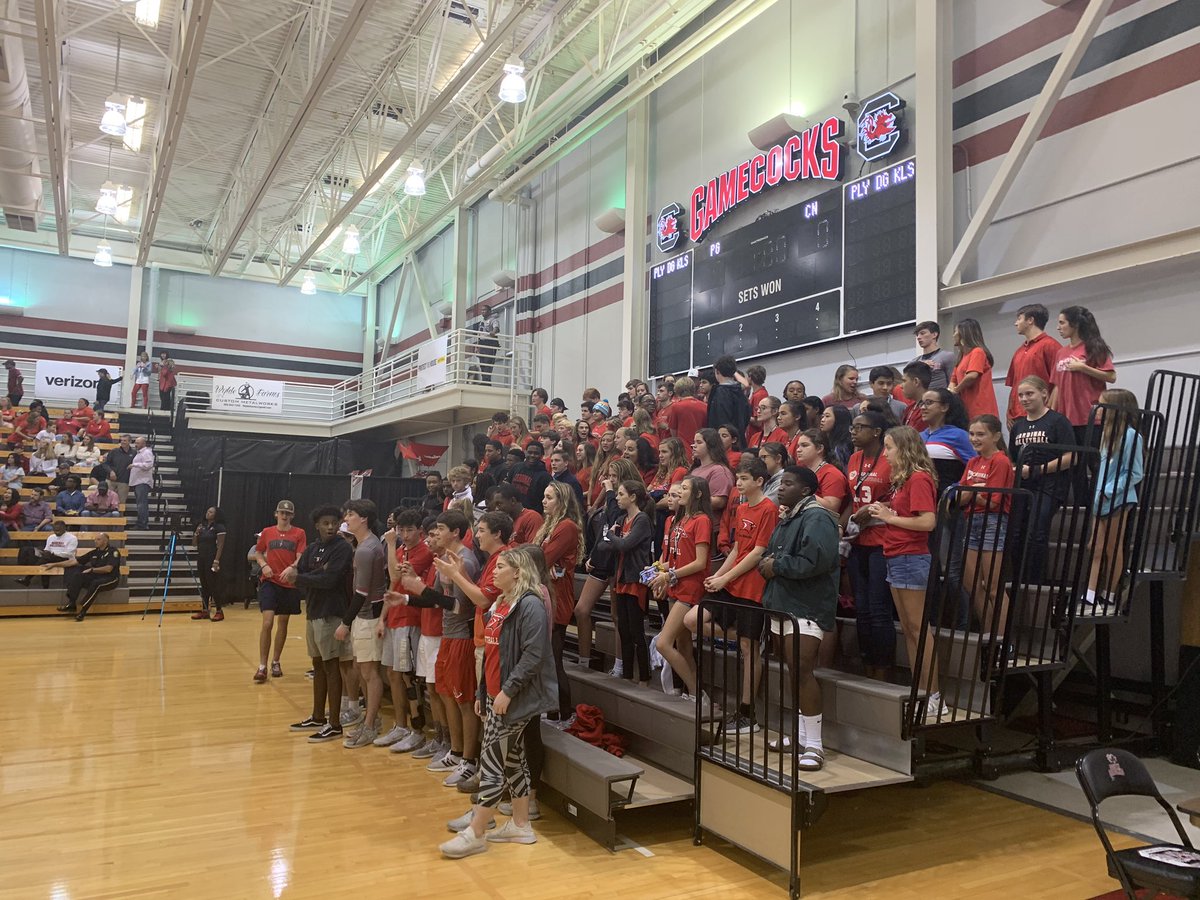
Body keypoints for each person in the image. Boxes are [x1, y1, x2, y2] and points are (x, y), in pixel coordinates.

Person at [436, 546, 557, 859]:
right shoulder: (503, 602)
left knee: (492, 764)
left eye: (501, 566)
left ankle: (476, 832)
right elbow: (491, 651)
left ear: (517, 572)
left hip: (512, 699)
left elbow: (533, 656)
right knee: (513, 760)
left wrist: (507, 692)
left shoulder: (530, 605)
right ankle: (520, 825)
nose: (494, 571)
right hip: (494, 694)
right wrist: (482, 693)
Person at [760, 466, 841, 769]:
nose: (781, 488)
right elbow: (768, 554)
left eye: (789, 484)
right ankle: (799, 735)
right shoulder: (790, 515)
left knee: (803, 669)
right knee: (792, 670)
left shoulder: (817, 517)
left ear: (806, 490)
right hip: (783, 601)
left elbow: (815, 561)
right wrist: (770, 564)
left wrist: (776, 566)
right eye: (781, 482)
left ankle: (815, 745)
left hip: (806, 605)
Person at [690, 457, 779, 734]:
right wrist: (720, 576)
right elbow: (738, 548)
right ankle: (751, 638)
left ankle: (746, 712)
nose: (737, 484)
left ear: (759, 481)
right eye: (737, 478)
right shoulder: (741, 509)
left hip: (752, 588)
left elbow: (758, 552)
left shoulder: (768, 509)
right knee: (693, 621)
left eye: (743, 479)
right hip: (733, 583)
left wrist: (726, 577)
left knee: (747, 648)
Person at [866, 426, 947, 721]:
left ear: (904, 448)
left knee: (919, 632)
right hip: (896, 555)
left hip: (912, 557)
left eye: (889, 447)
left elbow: (927, 522)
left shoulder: (919, 478)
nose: (885, 453)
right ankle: (921, 690)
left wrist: (889, 516)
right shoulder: (902, 481)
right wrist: (886, 510)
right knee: (910, 634)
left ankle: (935, 695)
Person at [400, 511, 482, 781]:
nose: (436, 534)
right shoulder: (444, 560)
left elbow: (461, 607)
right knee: (448, 695)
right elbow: (436, 600)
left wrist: (419, 588)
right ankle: (456, 752)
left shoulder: (465, 561)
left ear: (456, 532)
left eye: (441, 528)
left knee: (465, 701)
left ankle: (469, 760)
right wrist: (408, 598)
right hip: (448, 635)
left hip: (461, 638)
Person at [288, 506, 354, 742]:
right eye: (325, 523)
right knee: (317, 664)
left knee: (331, 666)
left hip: (331, 613)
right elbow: (303, 577)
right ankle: (318, 716)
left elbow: (330, 580)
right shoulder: (313, 549)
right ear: (317, 525)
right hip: (313, 612)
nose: (330, 527)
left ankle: (334, 723)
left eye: (334, 522)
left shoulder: (343, 548)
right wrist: (314, 574)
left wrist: (306, 577)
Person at [376, 508, 435, 753]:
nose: (405, 534)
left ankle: (417, 729)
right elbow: (392, 586)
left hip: (411, 619)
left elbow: (393, 574)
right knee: (393, 675)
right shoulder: (402, 550)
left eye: (410, 530)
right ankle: (401, 725)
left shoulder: (423, 552)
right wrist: (382, 618)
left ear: (419, 531)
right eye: (401, 530)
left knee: (408, 677)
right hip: (395, 619)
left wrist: (390, 545)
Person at [650, 477, 712, 705]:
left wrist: (669, 575)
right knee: (683, 644)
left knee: (663, 643)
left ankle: (698, 693)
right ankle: (691, 691)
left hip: (690, 587)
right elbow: (673, 560)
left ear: (697, 494)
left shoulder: (702, 520)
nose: (679, 493)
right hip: (676, 584)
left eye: (685, 489)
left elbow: (699, 562)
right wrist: (657, 571)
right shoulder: (679, 519)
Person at [1009, 375, 1076, 584]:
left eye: (1029, 393)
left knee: (1037, 532)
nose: (1024, 399)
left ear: (1044, 393)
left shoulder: (1057, 421)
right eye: (1021, 395)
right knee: (1016, 533)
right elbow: (1012, 456)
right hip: (1023, 486)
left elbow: (1071, 457)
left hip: (1050, 485)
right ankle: (1019, 578)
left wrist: (1038, 470)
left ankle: (1037, 581)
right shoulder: (1018, 427)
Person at [333, 499, 389, 749]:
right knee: (361, 667)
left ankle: (370, 726)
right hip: (365, 615)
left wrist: (345, 622)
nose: (347, 518)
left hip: (368, 615)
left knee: (369, 672)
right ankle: (370, 719)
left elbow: (361, 592)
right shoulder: (365, 545)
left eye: (351, 514)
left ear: (364, 518)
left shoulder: (367, 549)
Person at [846, 411, 895, 681]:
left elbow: (902, 497)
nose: (853, 432)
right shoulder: (853, 458)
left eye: (860, 427)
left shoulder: (890, 458)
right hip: (857, 540)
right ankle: (867, 667)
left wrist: (875, 508)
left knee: (878, 608)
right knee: (861, 609)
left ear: (876, 431)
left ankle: (883, 670)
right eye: (852, 427)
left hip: (881, 540)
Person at [1052, 305, 1117, 501]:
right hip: (1067, 417)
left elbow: (1111, 376)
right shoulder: (1061, 352)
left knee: (1094, 462)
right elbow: (1056, 386)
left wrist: (1083, 367)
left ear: (1075, 324)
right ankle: (1083, 503)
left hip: (1091, 416)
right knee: (1073, 464)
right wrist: (1052, 414)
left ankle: (1100, 502)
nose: (1059, 327)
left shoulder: (1094, 347)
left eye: (1062, 322)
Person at [1086, 389, 1144, 608]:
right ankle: (1090, 593)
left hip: (1118, 498)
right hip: (1101, 500)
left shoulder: (1131, 436)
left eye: (1103, 406)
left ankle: (1109, 593)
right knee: (1096, 547)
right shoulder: (1106, 435)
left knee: (1113, 547)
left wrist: (1109, 490)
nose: (1098, 410)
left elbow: (1135, 472)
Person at [959, 415, 1014, 642]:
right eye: (972, 434)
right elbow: (959, 497)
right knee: (970, 583)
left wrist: (972, 492)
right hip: (972, 521)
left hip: (993, 521)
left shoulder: (1000, 461)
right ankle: (988, 631)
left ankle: (1001, 639)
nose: (974, 439)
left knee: (992, 586)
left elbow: (993, 501)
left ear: (996, 436)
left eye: (980, 434)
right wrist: (976, 490)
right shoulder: (973, 462)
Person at [536, 482, 583, 723]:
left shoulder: (567, 526)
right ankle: (553, 711)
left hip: (558, 599)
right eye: (544, 497)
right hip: (547, 594)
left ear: (562, 501)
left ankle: (565, 714)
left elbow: (542, 558)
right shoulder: (549, 525)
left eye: (549, 497)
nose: (544, 501)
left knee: (554, 660)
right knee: (547, 660)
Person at [603, 480, 655, 686]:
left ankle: (644, 676)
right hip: (621, 577)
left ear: (632, 497)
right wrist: (612, 539)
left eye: (621, 494)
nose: (617, 497)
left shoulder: (641, 519)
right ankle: (626, 675)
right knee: (623, 628)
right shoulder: (623, 518)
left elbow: (623, 544)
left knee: (636, 631)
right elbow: (605, 546)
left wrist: (610, 535)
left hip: (635, 579)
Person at [252, 500, 307, 683]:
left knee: (283, 622)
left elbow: (301, 555)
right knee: (267, 622)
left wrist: (292, 567)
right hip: (270, 581)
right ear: (276, 514)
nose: (284, 516)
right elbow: (258, 552)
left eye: (288, 513)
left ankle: (276, 661)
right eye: (281, 512)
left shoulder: (299, 533)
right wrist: (264, 565)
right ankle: (262, 665)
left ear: (292, 515)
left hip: (288, 583)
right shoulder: (267, 532)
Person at [1004, 304, 1060, 430]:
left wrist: (1050, 411)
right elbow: (1014, 385)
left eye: (1019, 318)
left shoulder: (1051, 346)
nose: (1015, 323)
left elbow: (1059, 382)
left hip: (1041, 414)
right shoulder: (1019, 351)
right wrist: (1009, 411)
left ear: (1030, 320)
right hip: (1018, 416)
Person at [919, 389, 975, 495]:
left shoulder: (959, 435)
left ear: (944, 407)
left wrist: (952, 493)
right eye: (921, 403)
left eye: (929, 403)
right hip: (921, 497)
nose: (922, 408)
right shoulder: (918, 436)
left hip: (946, 502)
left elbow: (975, 468)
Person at [63, 532, 121, 621]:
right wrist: (54, 564)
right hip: (97, 576)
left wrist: (92, 570)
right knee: (79, 575)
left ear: (105, 541)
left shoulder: (113, 552)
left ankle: (83, 611)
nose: (95, 541)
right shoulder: (94, 552)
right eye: (95, 539)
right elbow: (75, 561)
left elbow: (108, 569)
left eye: (98, 539)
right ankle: (72, 603)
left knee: (96, 584)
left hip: (111, 579)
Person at [949, 318, 998, 421]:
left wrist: (956, 390)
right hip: (967, 410)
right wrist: (950, 391)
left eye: (955, 332)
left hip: (981, 409)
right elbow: (953, 380)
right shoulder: (961, 357)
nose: (953, 335)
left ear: (964, 334)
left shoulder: (977, 352)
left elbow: (972, 376)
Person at [793, 429, 850, 515]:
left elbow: (832, 508)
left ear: (820, 448)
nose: (798, 450)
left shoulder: (832, 474)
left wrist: (800, 494)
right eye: (798, 446)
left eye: (804, 445)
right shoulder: (802, 470)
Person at [18, 519, 77, 588]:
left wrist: (53, 553)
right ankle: (44, 587)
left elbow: (69, 554)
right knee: (36, 556)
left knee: (46, 559)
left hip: (65, 559)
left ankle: (28, 578)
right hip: (49, 557)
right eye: (55, 530)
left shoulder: (72, 538)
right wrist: (43, 552)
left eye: (58, 530)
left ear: (64, 528)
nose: (56, 532)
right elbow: (47, 549)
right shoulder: (51, 537)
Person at [191, 506, 227, 621]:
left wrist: (216, 561)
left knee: (213, 584)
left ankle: (219, 610)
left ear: (216, 515)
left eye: (211, 512)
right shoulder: (202, 526)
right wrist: (196, 533)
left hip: (212, 558)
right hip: (201, 558)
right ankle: (205, 610)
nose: (208, 513)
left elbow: (220, 545)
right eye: (207, 511)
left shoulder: (219, 527)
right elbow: (194, 544)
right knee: (204, 584)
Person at [690, 428, 736, 515]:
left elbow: (719, 501)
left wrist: (690, 501)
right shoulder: (695, 469)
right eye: (694, 442)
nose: (694, 446)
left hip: (708, 523)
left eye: (699, 442)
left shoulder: (719, 470)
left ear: (711, 445)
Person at [706, 355, 751, 436]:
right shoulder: (740, 392)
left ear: (717, 371)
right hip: (739, 438)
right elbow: (747, 416)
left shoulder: (720, 393)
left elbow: (720, 418)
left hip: (723, 441)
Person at [910, 321, 956, 391]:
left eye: (922, 333)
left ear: (934, 334)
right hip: (921, 399)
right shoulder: (914, 362)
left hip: (940, 399)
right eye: (917, 335)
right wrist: (921, 366)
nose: (918, 337)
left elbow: (953, 382)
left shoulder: (947, 356)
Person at [666, 376, 709, 452]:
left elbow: (673, 431)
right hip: (702, 447)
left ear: (677, 390)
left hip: (683, 448)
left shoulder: (676, 406)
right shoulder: (705, 406)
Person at [128, 437, 155, 530]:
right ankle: (142, 522)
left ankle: (142, 524)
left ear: (143, 444)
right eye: (135, 443)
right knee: (141, 503)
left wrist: (135, 465)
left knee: (141, 504)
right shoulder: (139, 453)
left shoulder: (147, 452)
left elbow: (148, 465)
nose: (136, 445)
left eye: (138, 443)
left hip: (142, 481)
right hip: (138, 481)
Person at [819, 405, 854, 470]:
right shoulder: (824, 440)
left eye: (827, 416)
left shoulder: (843, 446)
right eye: (822, 416)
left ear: (839, 419)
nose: (822, 420)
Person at [106, 435, 134, 504]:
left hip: (124, 482)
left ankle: (121, 515)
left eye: (124, 440)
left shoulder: (134, 453)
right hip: (111, 481)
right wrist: (111, 471)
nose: (122, 442)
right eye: (121, 440)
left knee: (121, 503)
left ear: (129, 441)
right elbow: (105, 464)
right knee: (107, 502)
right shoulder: (114, 451)